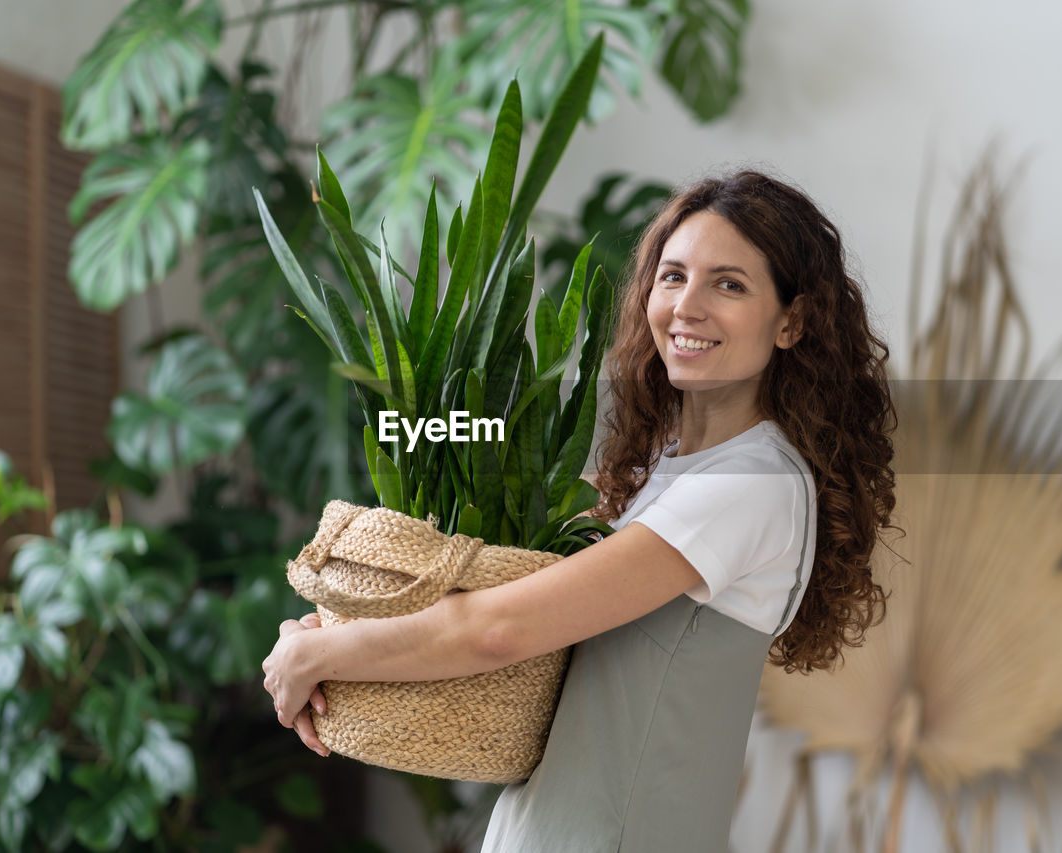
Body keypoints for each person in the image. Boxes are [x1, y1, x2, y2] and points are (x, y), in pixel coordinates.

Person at [262, 169, 897, 852]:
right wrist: (333, 628)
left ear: (793, 322)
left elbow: (501, 627)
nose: (688, 305)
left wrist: (321, 651)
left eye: (730, 284)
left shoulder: (750, 484)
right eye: (673, 275)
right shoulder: (668, 472)